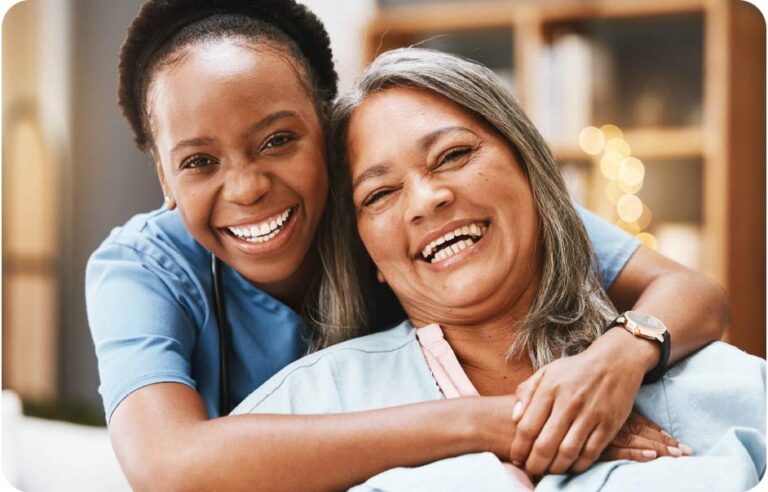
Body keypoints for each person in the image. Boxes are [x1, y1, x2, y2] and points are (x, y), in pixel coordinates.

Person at [86, 1, 729, 489]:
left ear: (327, 126)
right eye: (198, 161)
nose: (249, 186)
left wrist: (613, 362)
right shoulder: (143, 268)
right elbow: (167, 464)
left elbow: (690, 291)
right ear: (163, 177)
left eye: (279, 140)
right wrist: (497, 421)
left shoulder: (423, 205)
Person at [233, 47, 765, 490]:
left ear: (533, 172)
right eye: (381, 193)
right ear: (365, 252)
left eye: (453, 155)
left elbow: (698, 293)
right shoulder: (313, 404)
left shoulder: (720, 386)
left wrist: (620, 359)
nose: (426, 199)